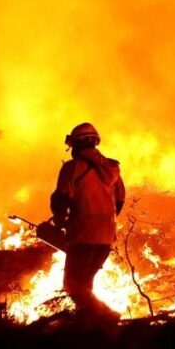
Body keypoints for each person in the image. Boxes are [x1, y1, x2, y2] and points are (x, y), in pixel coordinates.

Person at [50, 122, 126, 317]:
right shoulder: (113, 169)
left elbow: (62, 198)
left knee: (73, 285)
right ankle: (89, 328)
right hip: (105, 239)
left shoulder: (72, 168)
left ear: (76, 145)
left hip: (82, 237)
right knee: (85, 286)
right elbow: (119, 201)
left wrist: (60, 221)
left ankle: (107, 317)